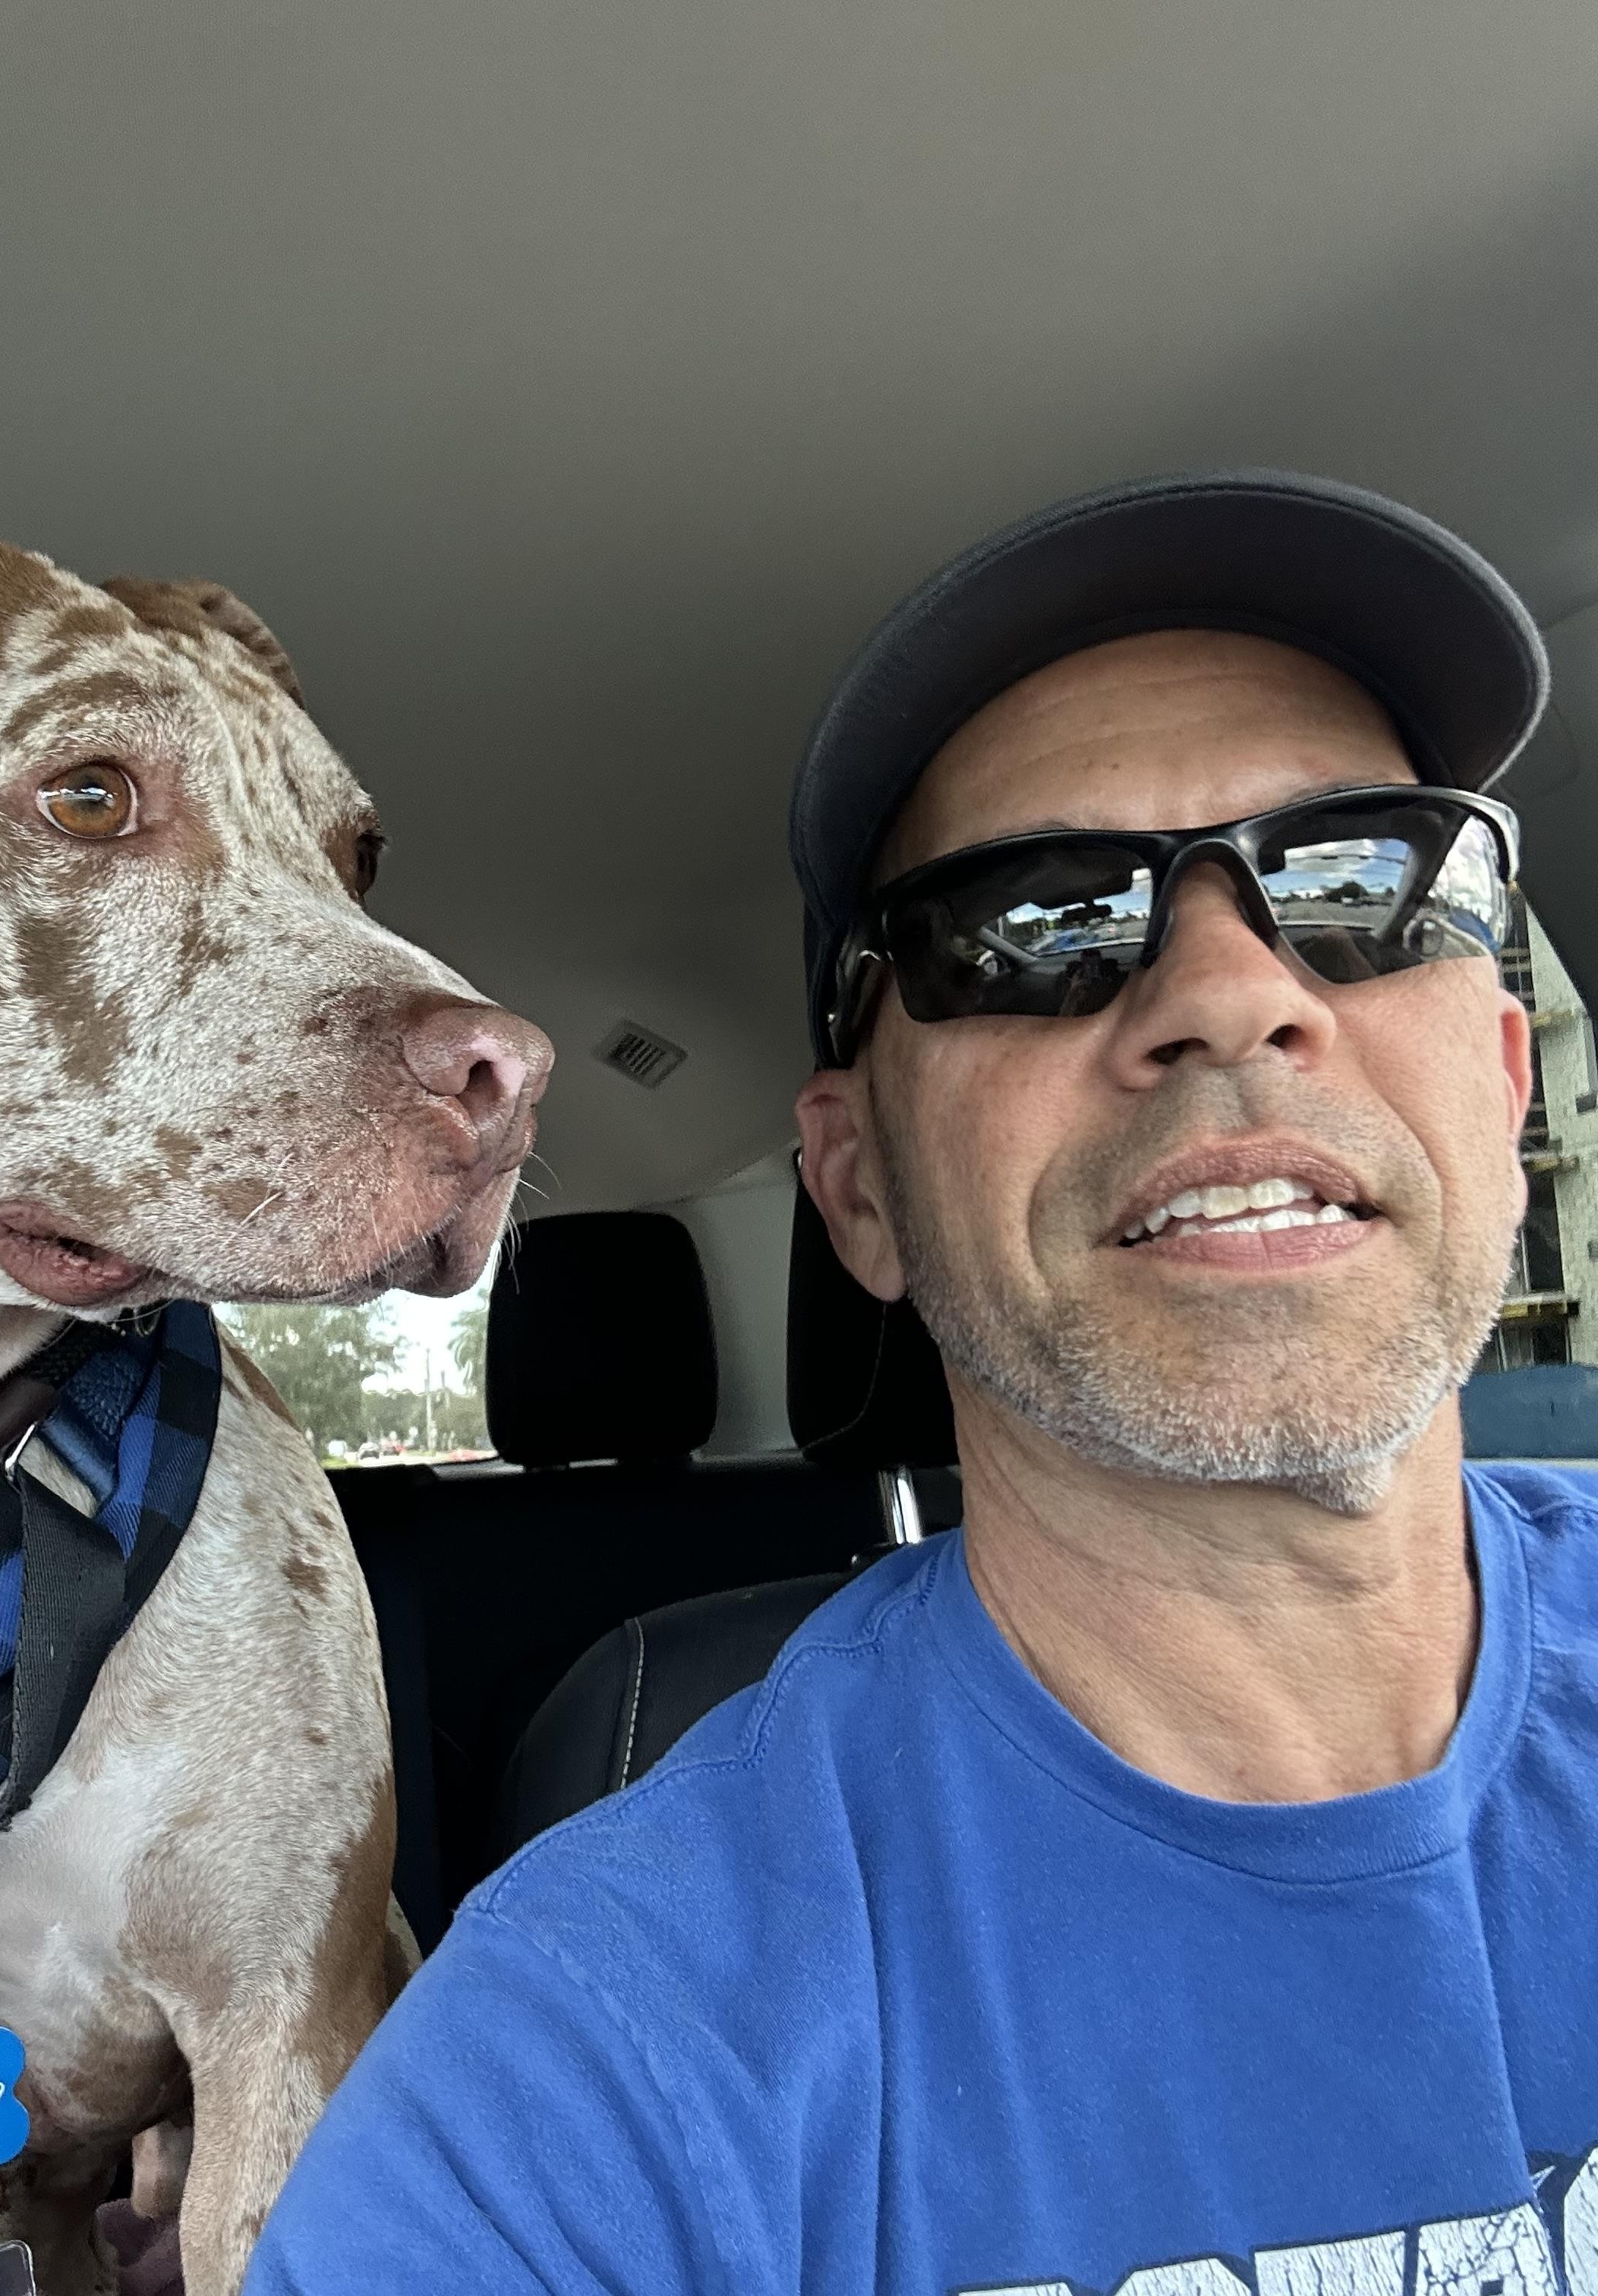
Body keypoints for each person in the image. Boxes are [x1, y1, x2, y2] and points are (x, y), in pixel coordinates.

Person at [243, 472, 1598, 2296]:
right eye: (1033, 922)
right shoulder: (583, 2076)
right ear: (859, 1188)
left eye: (1361, 878)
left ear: (1507, 1082)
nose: (1231, 992)